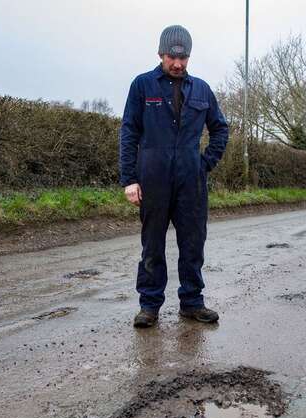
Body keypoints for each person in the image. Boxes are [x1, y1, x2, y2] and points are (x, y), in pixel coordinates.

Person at [119, 25, 229, 327]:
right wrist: (129, 178)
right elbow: (129, 131)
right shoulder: (142, 86)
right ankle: (150, 306)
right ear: (160, 54)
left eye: (184, 58)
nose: (178, 64)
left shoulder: (202, 89)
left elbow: (220, 128)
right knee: (152, 244)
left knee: (193, 243)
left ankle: (192, 303)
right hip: (152, 178)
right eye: (172, 57)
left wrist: (205, 162)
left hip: (191, 181)